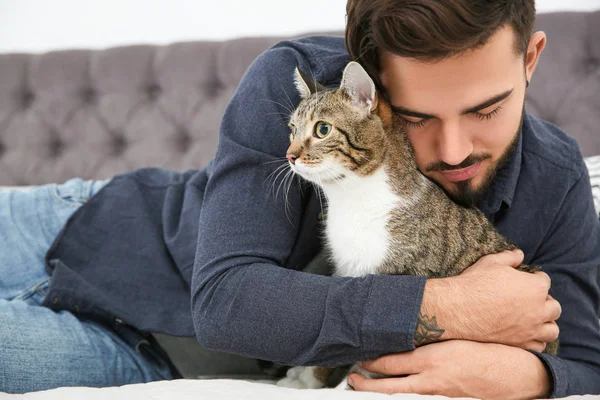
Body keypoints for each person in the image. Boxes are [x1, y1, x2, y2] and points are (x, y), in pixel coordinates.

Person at [0, 0, 598, 397]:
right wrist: (448, 306)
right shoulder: (296, 81)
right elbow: (228, 300)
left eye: (486, 109)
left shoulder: (557, 175)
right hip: (103, 227)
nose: (453, 149)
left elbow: (587, 360)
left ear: (531, 60)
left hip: (151, 352)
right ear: (370, 84)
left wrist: (526, 374)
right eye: (414, 116)